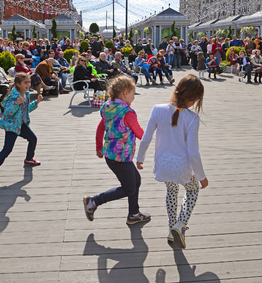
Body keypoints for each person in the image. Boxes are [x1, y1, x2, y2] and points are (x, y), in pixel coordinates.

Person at [136, 74, 208, 249]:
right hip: (182, 168)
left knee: (171, 191)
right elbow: (193, 152)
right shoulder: (192, 118)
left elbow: (146, 138)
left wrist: (140, 158)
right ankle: (180, 225)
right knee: (192, 191)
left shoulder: (157, 109)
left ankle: (171, 229)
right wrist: (201, 176)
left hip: (163, 166)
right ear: (193, 99)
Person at [83, 76, 151, 225]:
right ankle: (93, 201)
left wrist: (99, 148)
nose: (134, 97)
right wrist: (157, 137)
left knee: (135, 181)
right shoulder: (128, 113)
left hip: (111, 155)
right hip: (122, 157)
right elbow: (140, 133)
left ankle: (133, 213)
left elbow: (100, 128)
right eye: (133, 94)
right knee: (129, 188)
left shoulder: (108, 107)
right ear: (125, 93)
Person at [0, 73, 43, 187]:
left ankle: (29, 159)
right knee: (7, 149)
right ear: (18, 84)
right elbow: (8, 112)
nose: (28, 84)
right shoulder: (14, 96)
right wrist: (17, 103)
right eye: (25, 83)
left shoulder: (26, 94)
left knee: (33, 139)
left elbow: (26, 110)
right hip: (12, 125)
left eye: (29, 82)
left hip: (21, 123)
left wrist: (36, 103)